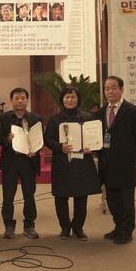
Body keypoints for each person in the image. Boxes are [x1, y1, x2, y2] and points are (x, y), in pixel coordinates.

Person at [44, 86, 101, 240]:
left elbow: (96, 138)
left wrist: (93, 148)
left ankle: (78, 228)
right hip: (62, 163)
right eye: (67, 97)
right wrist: (59, 147)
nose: (70, 100)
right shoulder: (54, 119)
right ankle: (64, 227)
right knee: (61, 197)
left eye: (73, 97)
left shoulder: (88, 117)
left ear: (78, 99)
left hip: (82, 163)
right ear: (62, 99)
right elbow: (47, 139)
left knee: (81, 197)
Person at [96, 76, 136, 244]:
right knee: (112, 199)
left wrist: (127, 153)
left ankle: (127, 231)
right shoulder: (101, 112)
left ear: (122, 89)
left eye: (113, 87)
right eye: (107, 88)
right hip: (106, 163)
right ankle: (118, 228)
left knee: (126, 200)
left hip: (124, 163)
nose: (110, 91)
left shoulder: (133, 111)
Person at [0, 88, 42, 239]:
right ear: (11, 101)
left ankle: (29, 225)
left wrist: (35, 150)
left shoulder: (36, 118)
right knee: (8, 195)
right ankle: (9, 224)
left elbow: (39, 140)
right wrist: (7, 140)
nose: (20, 101)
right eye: (17, 98)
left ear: (27, 100)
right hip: (10, 161)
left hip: (28, 161)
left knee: (29, 195)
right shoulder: (3, 118)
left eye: (23, 98)